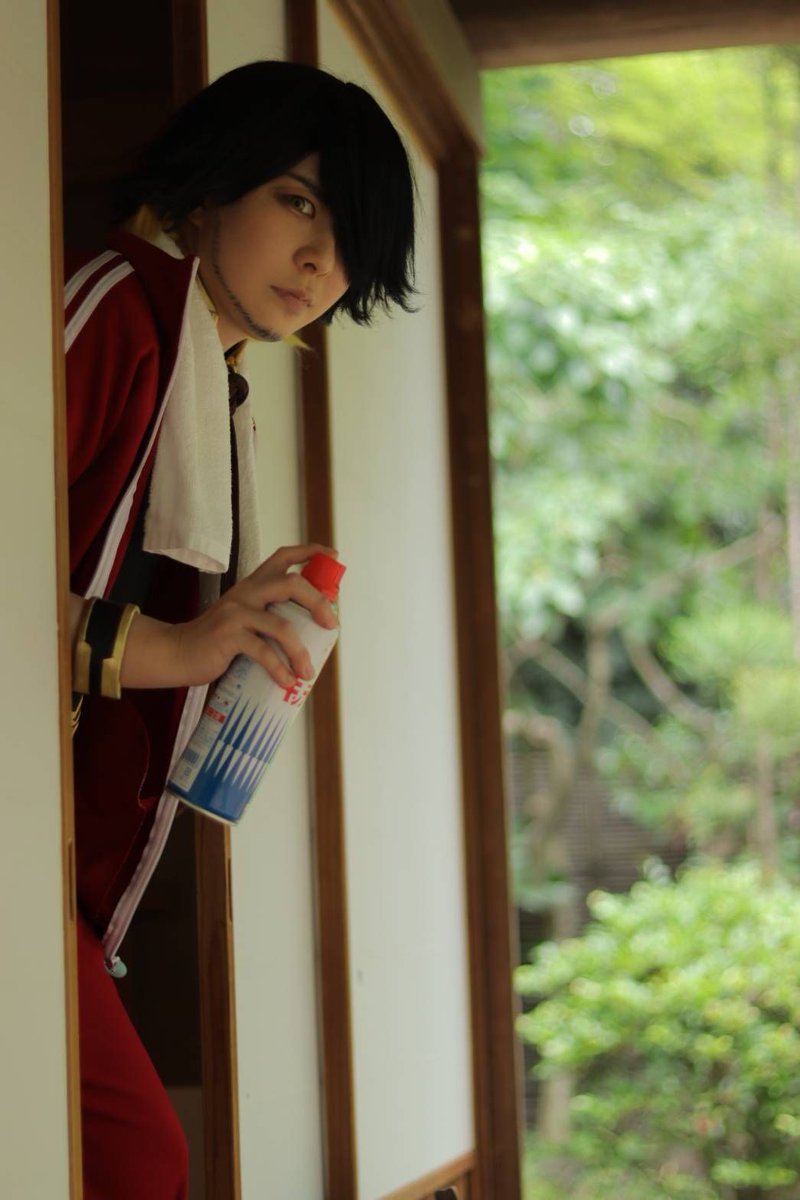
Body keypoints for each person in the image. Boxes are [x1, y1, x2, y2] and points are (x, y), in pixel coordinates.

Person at [66, 59, 416, 1199]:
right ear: (211, 185)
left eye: (349, 239)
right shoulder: (114, 306)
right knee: (137, 1157)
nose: (320, 262)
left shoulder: (216, 391)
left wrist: (228, 652)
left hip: (67, 862)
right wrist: (176, 647)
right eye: (299, 202)